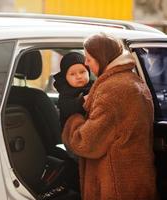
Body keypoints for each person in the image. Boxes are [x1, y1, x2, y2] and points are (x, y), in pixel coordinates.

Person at [61, 33, 157, 200]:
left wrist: (73, 120)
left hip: (115, 185)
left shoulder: (112, 91)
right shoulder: (131, 80)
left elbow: (85, 142)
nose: (86, 63)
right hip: (135, 178)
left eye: (89, 58)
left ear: (101, 57)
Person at [53, 52, 94, 128]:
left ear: (88, 72)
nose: (78, 76)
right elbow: (68, 109)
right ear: (65, 77)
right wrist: (83, 100)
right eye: (72, 74)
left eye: (82, 72)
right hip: (70, 133)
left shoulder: (94, 86)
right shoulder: (65, 92)